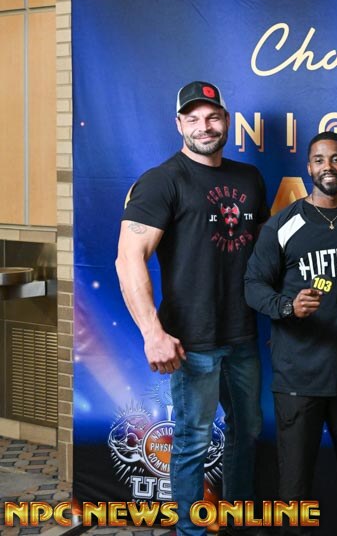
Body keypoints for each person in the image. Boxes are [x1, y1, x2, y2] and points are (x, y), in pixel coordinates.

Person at [115, 81, 269, 536]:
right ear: (179, 124)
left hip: (243, 332)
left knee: (248, 431)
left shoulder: (249, 178)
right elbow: (128, 259)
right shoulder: (162, 180)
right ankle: (191, 531)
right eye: (194, 118)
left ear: (226, 121)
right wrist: (152, 333)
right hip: (192, 339)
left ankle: (238, 523)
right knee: (192, 440)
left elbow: (263, 253)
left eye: (213, 117)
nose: (205, 126)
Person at [244, 131, 337, 535]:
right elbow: (253, 286)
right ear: (308, 167)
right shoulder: (283, 225)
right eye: (320, 160)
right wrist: (287, 306)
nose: (329, 167)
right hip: (298, 377)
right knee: (293, 488)